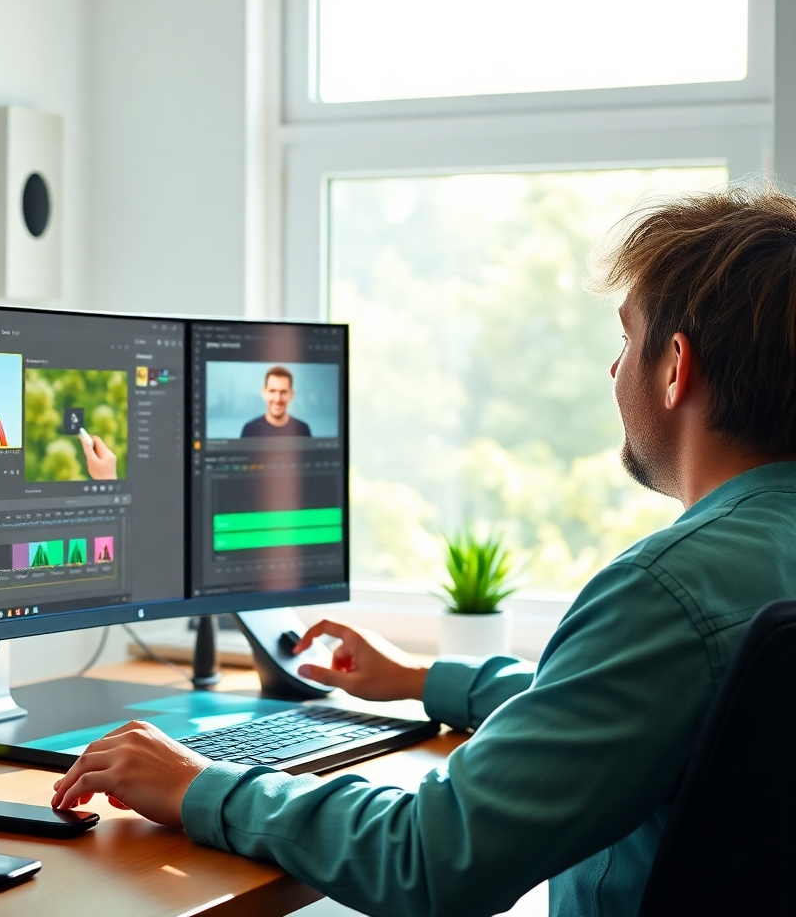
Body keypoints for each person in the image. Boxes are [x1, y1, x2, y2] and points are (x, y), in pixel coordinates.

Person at [52, 185, 796, 917]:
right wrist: (422, 678)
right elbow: (625, 708)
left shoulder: (665, 592)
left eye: (625, 339)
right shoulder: (735, 580)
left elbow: (430, 859)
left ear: (674, 366)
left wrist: (198, 784)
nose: (613, 369)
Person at [240, 365, 312, 437]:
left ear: (291, 395)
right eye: (272, 391)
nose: (277, 399)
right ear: (264, 393)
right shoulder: (250, 430)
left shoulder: (303, 430)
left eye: (283, 392)